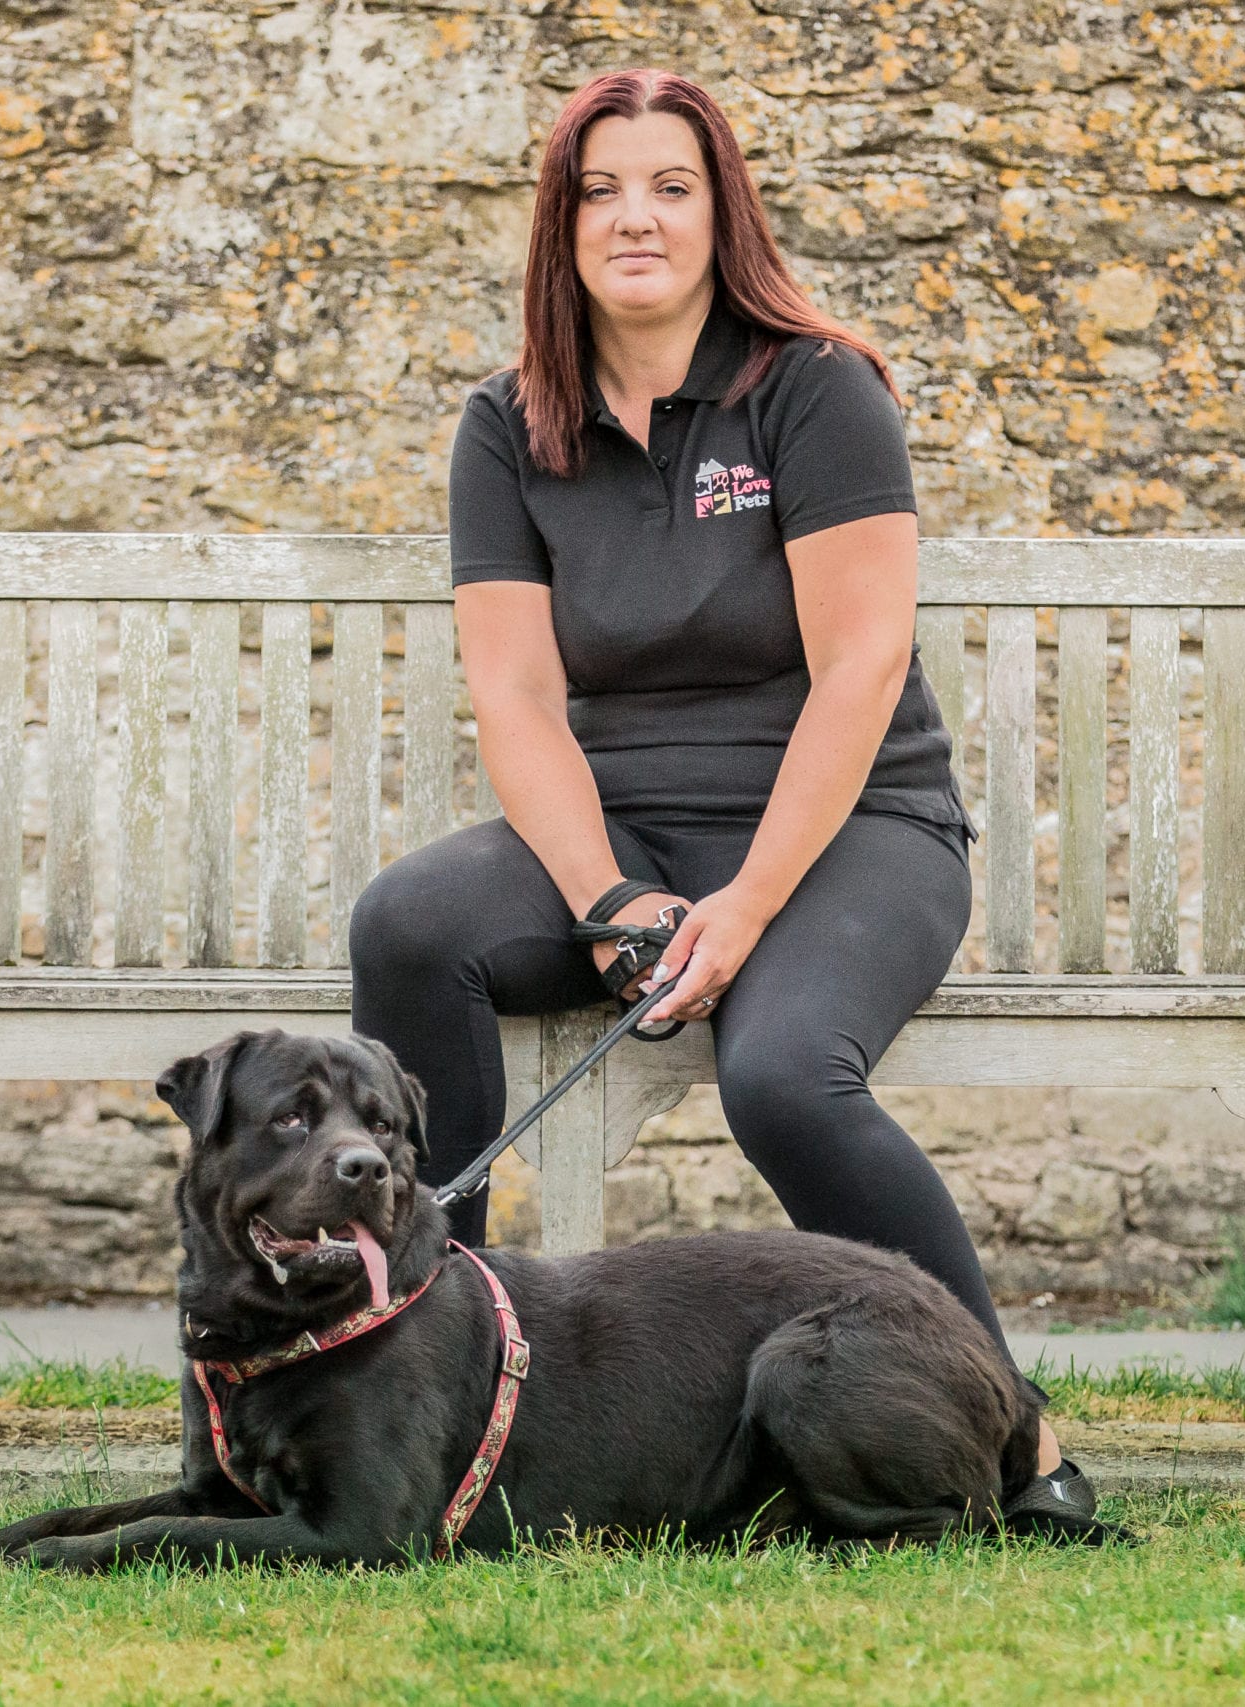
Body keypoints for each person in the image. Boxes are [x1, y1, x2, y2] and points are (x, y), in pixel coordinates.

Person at [348, 67, 1083, 1502]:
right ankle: (440, 1386)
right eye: (603, 189)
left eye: (672, 186)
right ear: (561, 225)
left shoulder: (814, 392)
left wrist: (742, 909)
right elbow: (514, 697)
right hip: (625, 826)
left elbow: (860, 676)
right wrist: (608, 895)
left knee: (783, 1079)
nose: (638, 217)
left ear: (720, 211)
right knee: (408, 928)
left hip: (855, 827)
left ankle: (1016, 1434)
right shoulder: (509, 426)